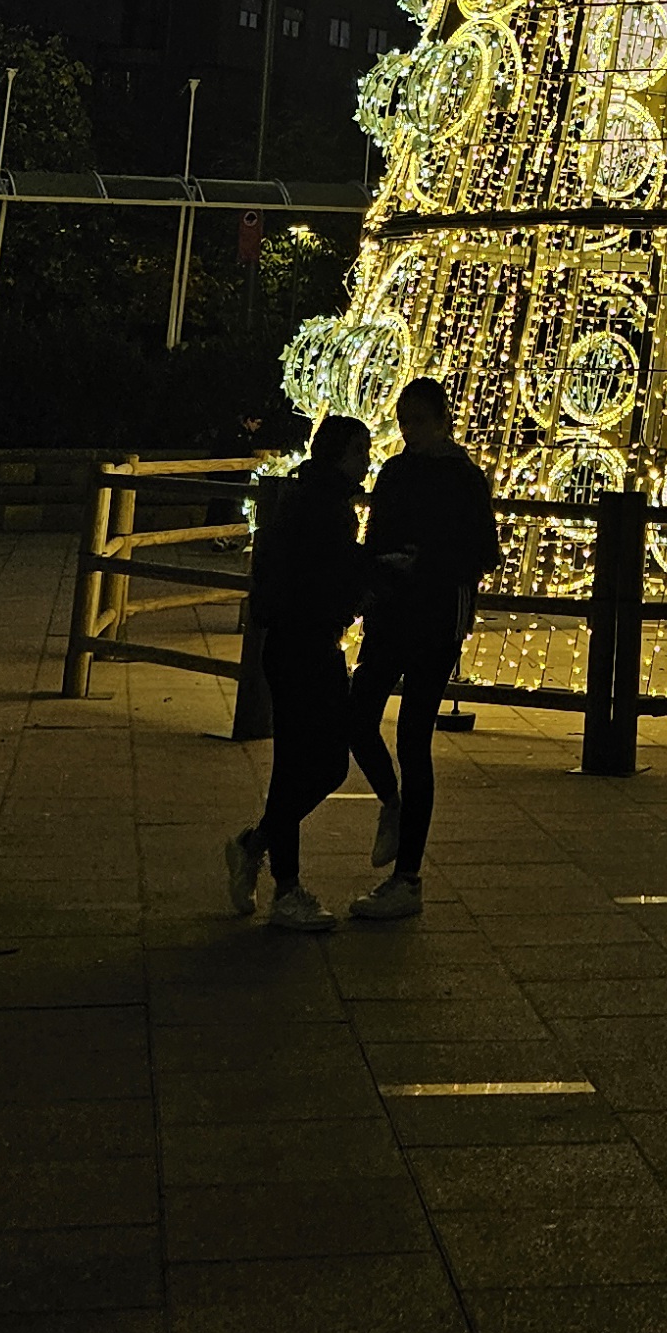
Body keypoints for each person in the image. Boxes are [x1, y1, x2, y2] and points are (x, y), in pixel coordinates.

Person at [345, 375, 501, 924]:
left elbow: (484, 550)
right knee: (357, 713)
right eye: (404, 419)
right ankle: (393, 803)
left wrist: (425, 563)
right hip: (392, 613)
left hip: (436, 618)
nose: (409, 430)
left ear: (441, 421)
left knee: (415, 737)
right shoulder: (396, 471)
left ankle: (407, 875)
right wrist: (376, 576)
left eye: (418, 419)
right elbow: (376, 535)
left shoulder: (462, 478)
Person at [224, 411, 369, 931]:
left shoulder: (306, 500)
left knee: (305, 762)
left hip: (297, 642)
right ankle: (281, 880)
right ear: (338, 455)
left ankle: (263, 853)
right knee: (319, 762)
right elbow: (326, 577)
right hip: (306, 642)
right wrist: (367, 575)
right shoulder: (325, 508)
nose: (366, 461)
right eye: (359, 451)